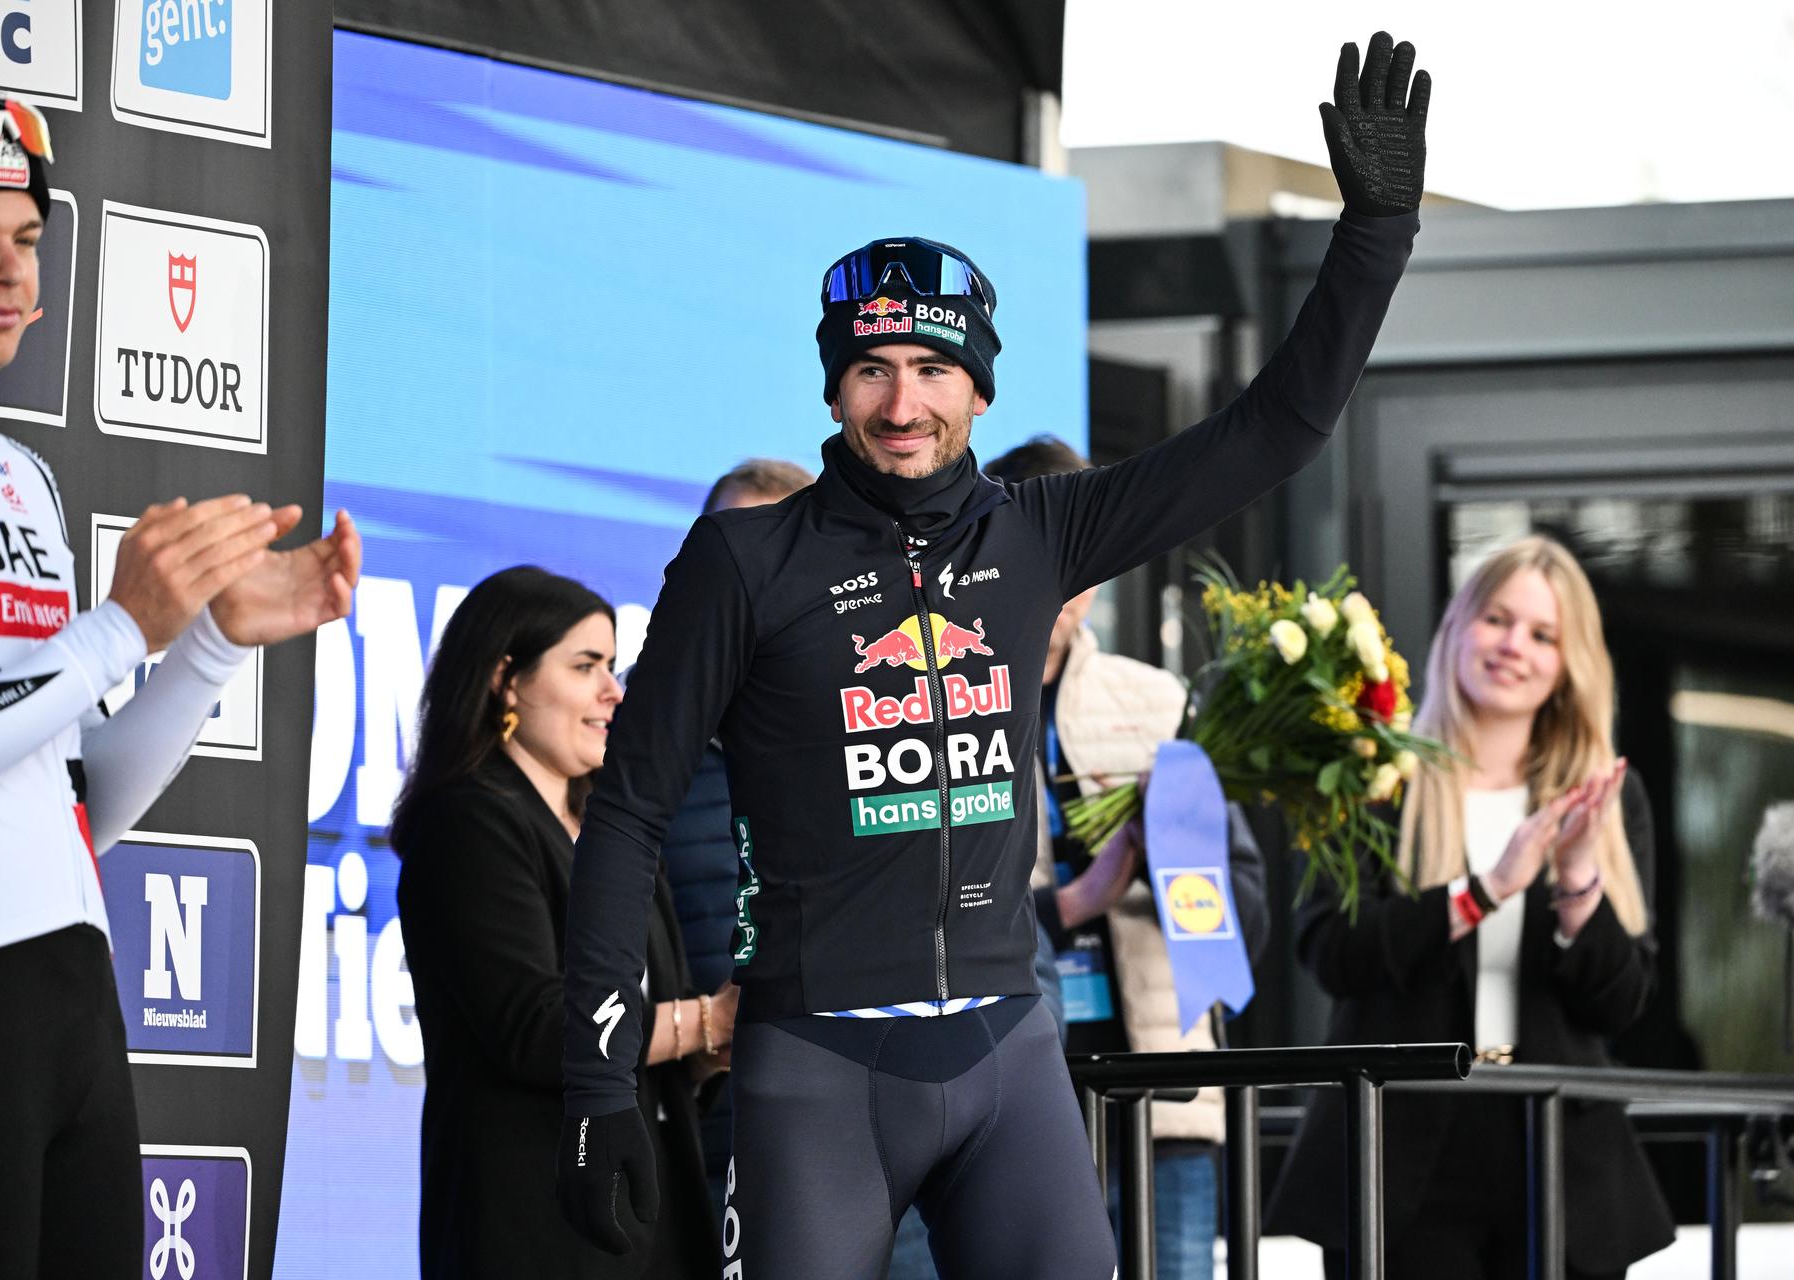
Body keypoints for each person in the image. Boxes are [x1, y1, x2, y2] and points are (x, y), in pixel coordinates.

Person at [559, 33, 1430, 1279]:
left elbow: (1276, 428)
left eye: (930, 369)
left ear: (977, 389)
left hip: (1008, 1055)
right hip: (818, 1062)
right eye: (870, 369)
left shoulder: (1039, 532)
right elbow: (630, 805)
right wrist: (594, 1085)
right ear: (834, 386)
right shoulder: (746, 562)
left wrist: (1374, 235)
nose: (900, 403)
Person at [0, 88, 361, 1275]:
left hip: (76, 1002)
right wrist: (117, 630)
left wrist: (208, 642)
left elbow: (83, 806)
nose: (9, 271)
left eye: (26, 239)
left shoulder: (25, 479)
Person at [1264, 536, 1676, 1280]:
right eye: (1497, 619)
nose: (1514, 645)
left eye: (1543, 634)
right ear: (1457, 626)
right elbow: (1331, 950)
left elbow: (1623, 1003)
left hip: (1559, 1150)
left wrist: (1579, 878)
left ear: (1567, 662)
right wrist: (1484, 890)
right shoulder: (1375, 774)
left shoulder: (1606, 798)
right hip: (1401, 1153)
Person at [391, 567, 735, 1279]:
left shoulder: (616, 833)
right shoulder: (469, 823)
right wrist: (701, 1022)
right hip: (535, 1227)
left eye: (611, 666)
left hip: (652, 1223)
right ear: (505, 680)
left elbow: (645, 1033)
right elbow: (538, 1031)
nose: (614, 690)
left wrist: (713, 1053)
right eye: (586, 667)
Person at [987, 435, 1271, 1280]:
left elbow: (1242, 908)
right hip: (1013, 1088)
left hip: (1161, 1087)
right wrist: (1074, 902)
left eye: (1084, 548)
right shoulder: (938, 698)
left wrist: (1181, 867)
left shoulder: (1156, 701)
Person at [654, 457, 815, 1212]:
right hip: (703, 1112)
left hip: (869, 1104)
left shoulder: (885, 729)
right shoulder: (636, 733)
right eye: (723, 545)